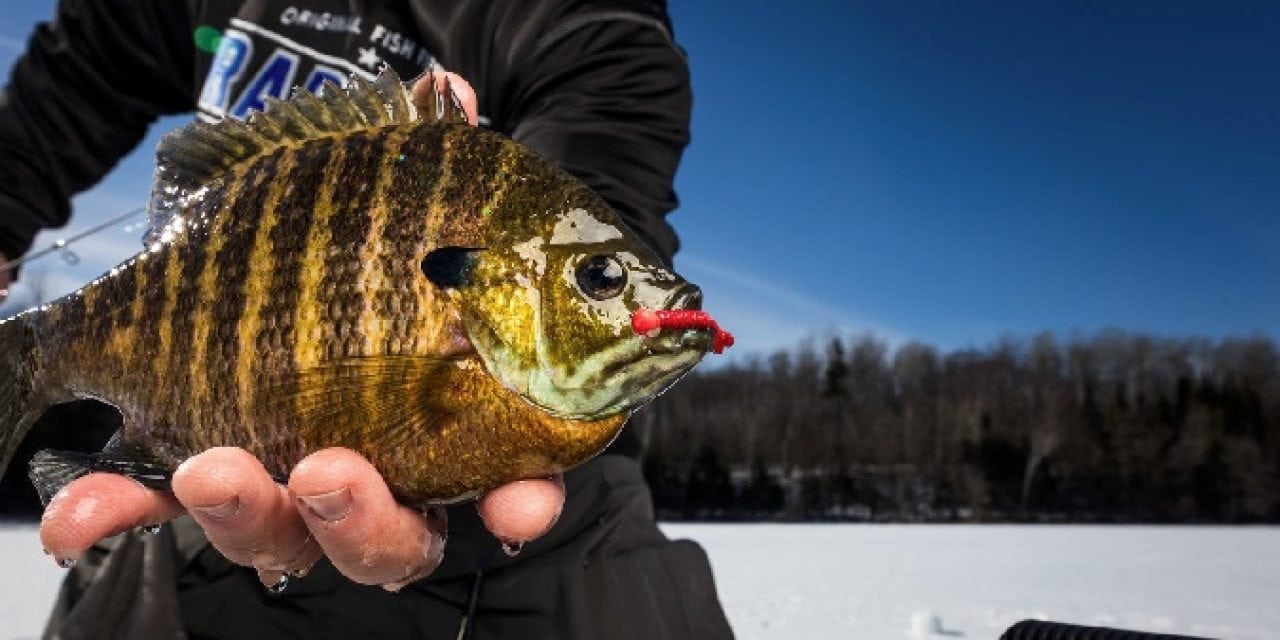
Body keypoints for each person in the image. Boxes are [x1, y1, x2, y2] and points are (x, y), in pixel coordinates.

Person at [0, 1, 734, 638]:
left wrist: (601, 271)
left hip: (545, 547)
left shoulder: (588, 22)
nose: (616, 294)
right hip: (207, 504)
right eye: (598, 280)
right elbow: (75, 80)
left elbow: (604, 159)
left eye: (596, 280)